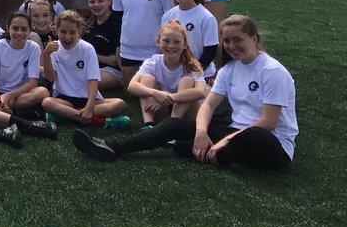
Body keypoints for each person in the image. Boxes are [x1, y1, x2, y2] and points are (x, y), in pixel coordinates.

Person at [73, 15, 297, 170]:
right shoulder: (230, 69)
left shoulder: (271, 71)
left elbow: (268, 122)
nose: (231, 46)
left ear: (254, 39)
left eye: (238, 40)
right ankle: (112, 148)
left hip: (270, 143)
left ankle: (223, 154)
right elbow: (208, 104)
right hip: (236, 131)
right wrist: (201, 132)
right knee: (174, 128)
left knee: (252, 135)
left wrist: (225, 140)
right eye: (227, 41)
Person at [41, 10, 131, 128]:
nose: (67, 37)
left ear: (80, 32)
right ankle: (100, 121)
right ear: (56, 30)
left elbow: (93, 80)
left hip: (88, 99)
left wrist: (89, 106)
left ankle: (66, 115)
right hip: (64, 99)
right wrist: (46, 55)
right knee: (47, 102)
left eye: (72, 32)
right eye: (63, 32)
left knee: (119, 104)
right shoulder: (53, 49)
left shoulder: (87, 49)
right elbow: (50, 77)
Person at [113, 0, 172, 89]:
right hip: (128, 49)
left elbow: (169, 20)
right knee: (131, 91)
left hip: (152, 49)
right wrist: (118, 46)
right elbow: (117, 20)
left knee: (149, 90)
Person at [125, 20, 209, 125]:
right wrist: (155, 93)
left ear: (184, 44)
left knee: (187, 80)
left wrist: (170, 98)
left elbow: (200, 92)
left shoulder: (190, 65)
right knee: (147, 78)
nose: (171, 46)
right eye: (166, 41)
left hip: (186, 114)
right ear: (158, 42)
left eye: (176, 42)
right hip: (160, 109)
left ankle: (172, 125)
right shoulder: (152, 62)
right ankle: (148, 124)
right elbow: (132, 86)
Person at [0, 12, 49, 113]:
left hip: (18, 94)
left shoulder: (33, 48)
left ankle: (1, 107)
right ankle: (3, 106)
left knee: (43, 92)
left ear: (30, 31)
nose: (19, 33)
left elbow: (33, 82)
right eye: (15, 28)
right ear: (7, 28)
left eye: (24, 29)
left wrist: (8, 96)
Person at [161, 0, 219, 82]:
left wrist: (194, 73)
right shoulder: (167, 16)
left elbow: (210, 51)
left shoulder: (206, 17)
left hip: (201, 74)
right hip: (175, 73)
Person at [84, 0, 123, 94]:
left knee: (87, 83)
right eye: (92, 2)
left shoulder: (117, 21)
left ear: (109, 1)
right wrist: (103, 58)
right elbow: (82, 52)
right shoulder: (88, 23)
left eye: (100, 1)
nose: (96, 5)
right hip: (90, 66)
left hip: (111, 70)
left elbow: (115, 60)